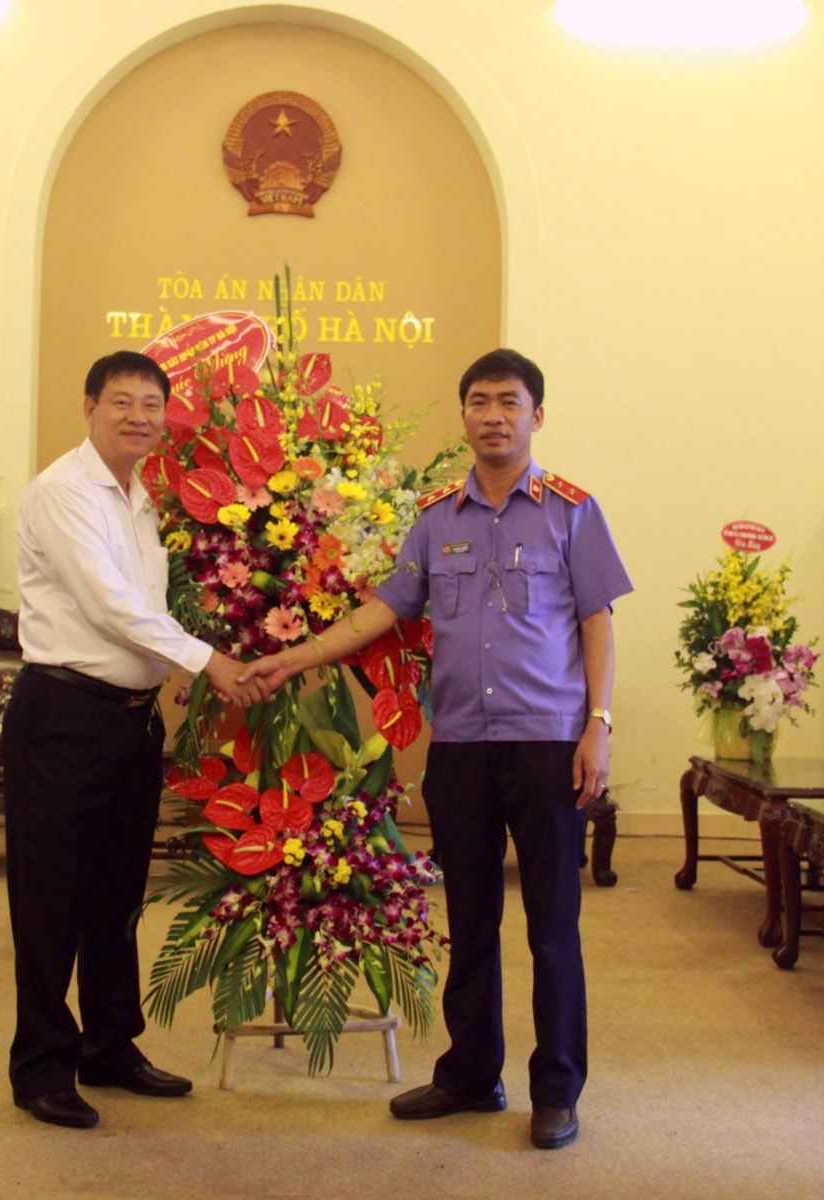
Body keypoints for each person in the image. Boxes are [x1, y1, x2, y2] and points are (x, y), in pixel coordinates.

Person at [240, 348, 631, 1150]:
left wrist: (599, 723)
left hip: (549, 744)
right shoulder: (435, 517)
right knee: (471, 920)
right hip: (461, 748)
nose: (494, 416)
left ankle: (557, 1088)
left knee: (553, 927)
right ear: (464, 416)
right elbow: (385, 610)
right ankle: (470, 1076)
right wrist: (294, 657)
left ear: (536, 416)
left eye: (509, 402)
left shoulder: (572, 511)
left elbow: (598, 620)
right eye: (480, 401)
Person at [4, 350, 268, 1129]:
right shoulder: (63, 490)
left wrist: (180, 663)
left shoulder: (143, 498)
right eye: (122, 402)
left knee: (117, 891)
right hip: (64, 716)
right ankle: (41, 1066)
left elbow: (145, 611)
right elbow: (110, 604)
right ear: (89, 407)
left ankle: (109, 1045)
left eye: (152, 405)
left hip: (128, 720)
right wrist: (207, 660)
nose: (138, 417)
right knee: (52, 896)